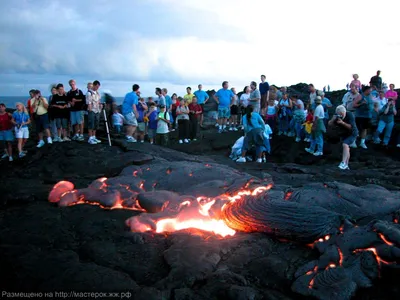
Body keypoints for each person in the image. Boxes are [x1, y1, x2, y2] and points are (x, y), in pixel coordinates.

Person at [328, 105, 358, 170]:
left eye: (342, 114)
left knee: (345, 144)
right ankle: (346, 165)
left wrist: (342, 123)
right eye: (339, 115)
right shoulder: (337, 116)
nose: (341, 116)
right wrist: (333, 119)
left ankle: (343, 162)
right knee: (347, 148)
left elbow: (351, 127)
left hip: (352, 133)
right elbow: (330, 124)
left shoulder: (350, 115)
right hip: (344, 133)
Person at [86, 80, 102, 144]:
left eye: (98, 87)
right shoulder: (89, 93)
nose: (97, 88)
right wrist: (90, 109)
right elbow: (88, 102)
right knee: (91, 124)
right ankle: (90, 138)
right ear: (94, 85)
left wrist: (100, 105)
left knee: (96, 124)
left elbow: (99, 100)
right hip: (92, 110)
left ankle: (94, 136)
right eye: (97, 86)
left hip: (97, 110)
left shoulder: (97, 93)